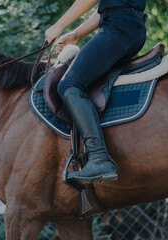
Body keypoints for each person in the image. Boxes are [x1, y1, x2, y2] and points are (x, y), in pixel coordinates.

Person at [45, 0, 147, 185]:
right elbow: (111, 6)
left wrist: (58, 25)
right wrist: (77, 33)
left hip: (118, 28)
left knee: (68, 85)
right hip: (130, 28)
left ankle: (99, 158)